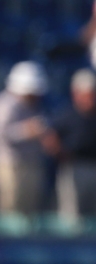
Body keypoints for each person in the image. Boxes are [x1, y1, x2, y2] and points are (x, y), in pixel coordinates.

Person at [0, 61, 50, 216]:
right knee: (11, 205)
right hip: (10, 163)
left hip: (31, 162)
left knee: (30, 206)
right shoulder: (4, 104)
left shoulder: (33, 104)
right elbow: (2, 134)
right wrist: (27, 131)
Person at [44, 68, 96, 221]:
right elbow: (49, 137)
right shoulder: (66, 116)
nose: (91, 99)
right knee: (72, 215)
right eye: (87, 94)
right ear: (76, 94)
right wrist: (60, 152)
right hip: (74, 167)